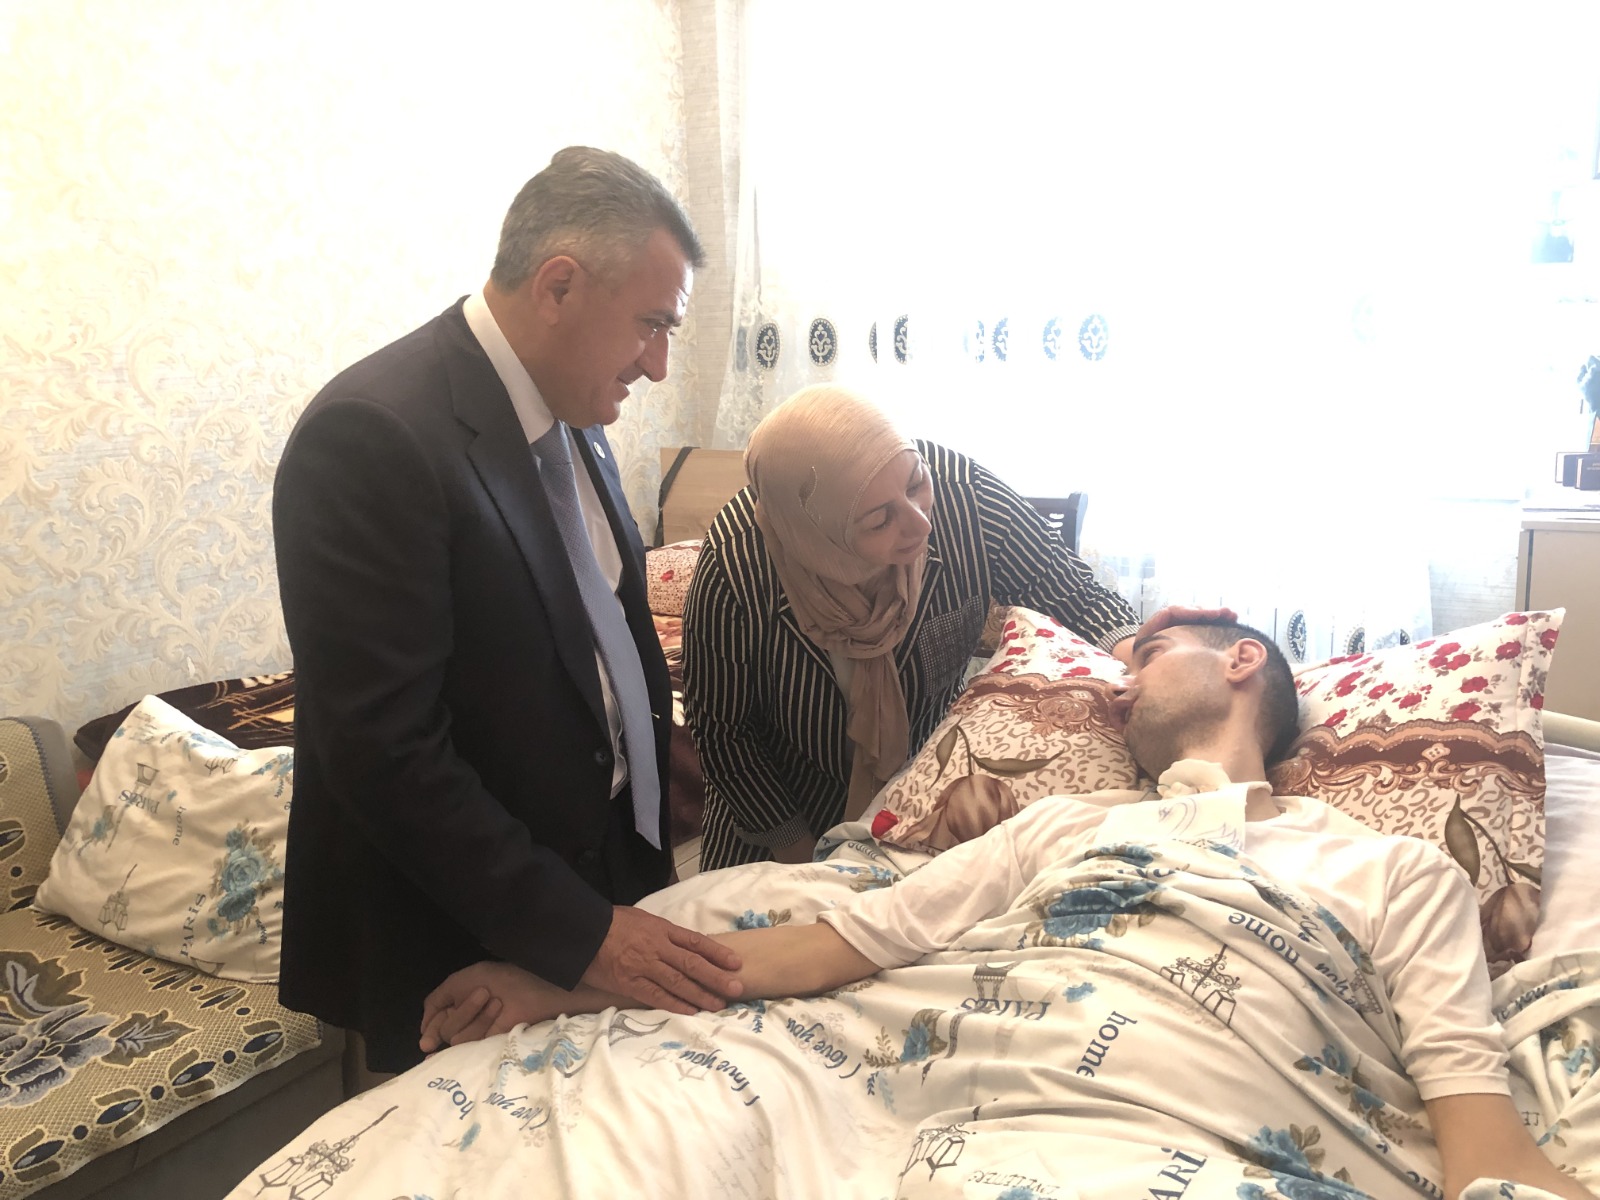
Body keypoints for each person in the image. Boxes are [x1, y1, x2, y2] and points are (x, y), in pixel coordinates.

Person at [420, 616, 1594, 1200]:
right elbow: (833, 945)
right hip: (975, 1116)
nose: (1119, 683)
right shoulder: (1059, 826)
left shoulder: (1394, 870)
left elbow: (1473, 1124)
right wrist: (567, 982)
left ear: (1242, 661)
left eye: (1149, 654)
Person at [272, 146, 741, 1075]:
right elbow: (387, 755)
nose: (658, 366)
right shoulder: (373, 434)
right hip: (460, 934)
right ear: (559, 286)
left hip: (607, 877)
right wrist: (583, 933)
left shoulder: (575, 415)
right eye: (651, 326)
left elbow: (598, 642)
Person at [683, 384, 1144, 870]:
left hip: (927, 798)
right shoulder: (738, 565)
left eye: (915, 485)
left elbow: (1071, 593)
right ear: (818, 533)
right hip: (783, 814)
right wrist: (804, 864)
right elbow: (724, 732)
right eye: (879, 520)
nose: (921, 525)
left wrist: (1152, 656)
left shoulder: (966, 496)